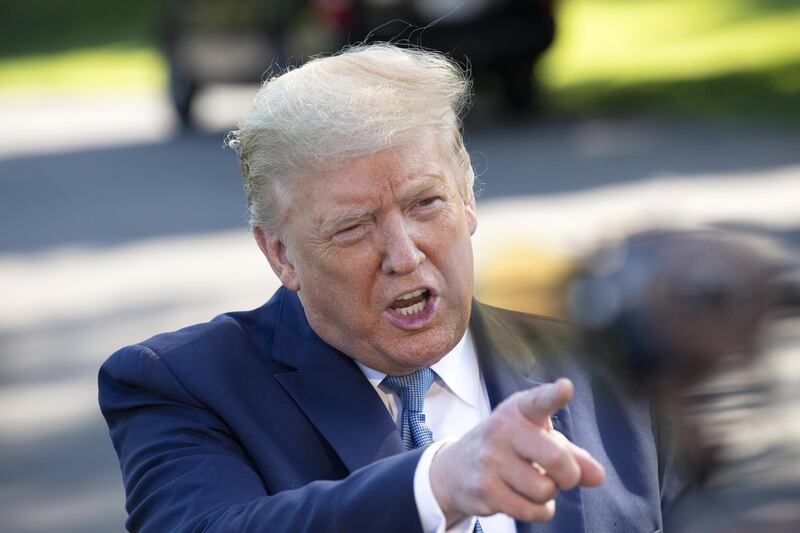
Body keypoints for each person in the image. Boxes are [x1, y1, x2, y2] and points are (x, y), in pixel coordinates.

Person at [99, 44, 684, 533]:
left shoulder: (608, 366)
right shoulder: (182, 384)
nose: (404, 257)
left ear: (468, 199)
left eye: (426, 203)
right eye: (353, 228)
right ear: (280, 254)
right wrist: (437, 484)